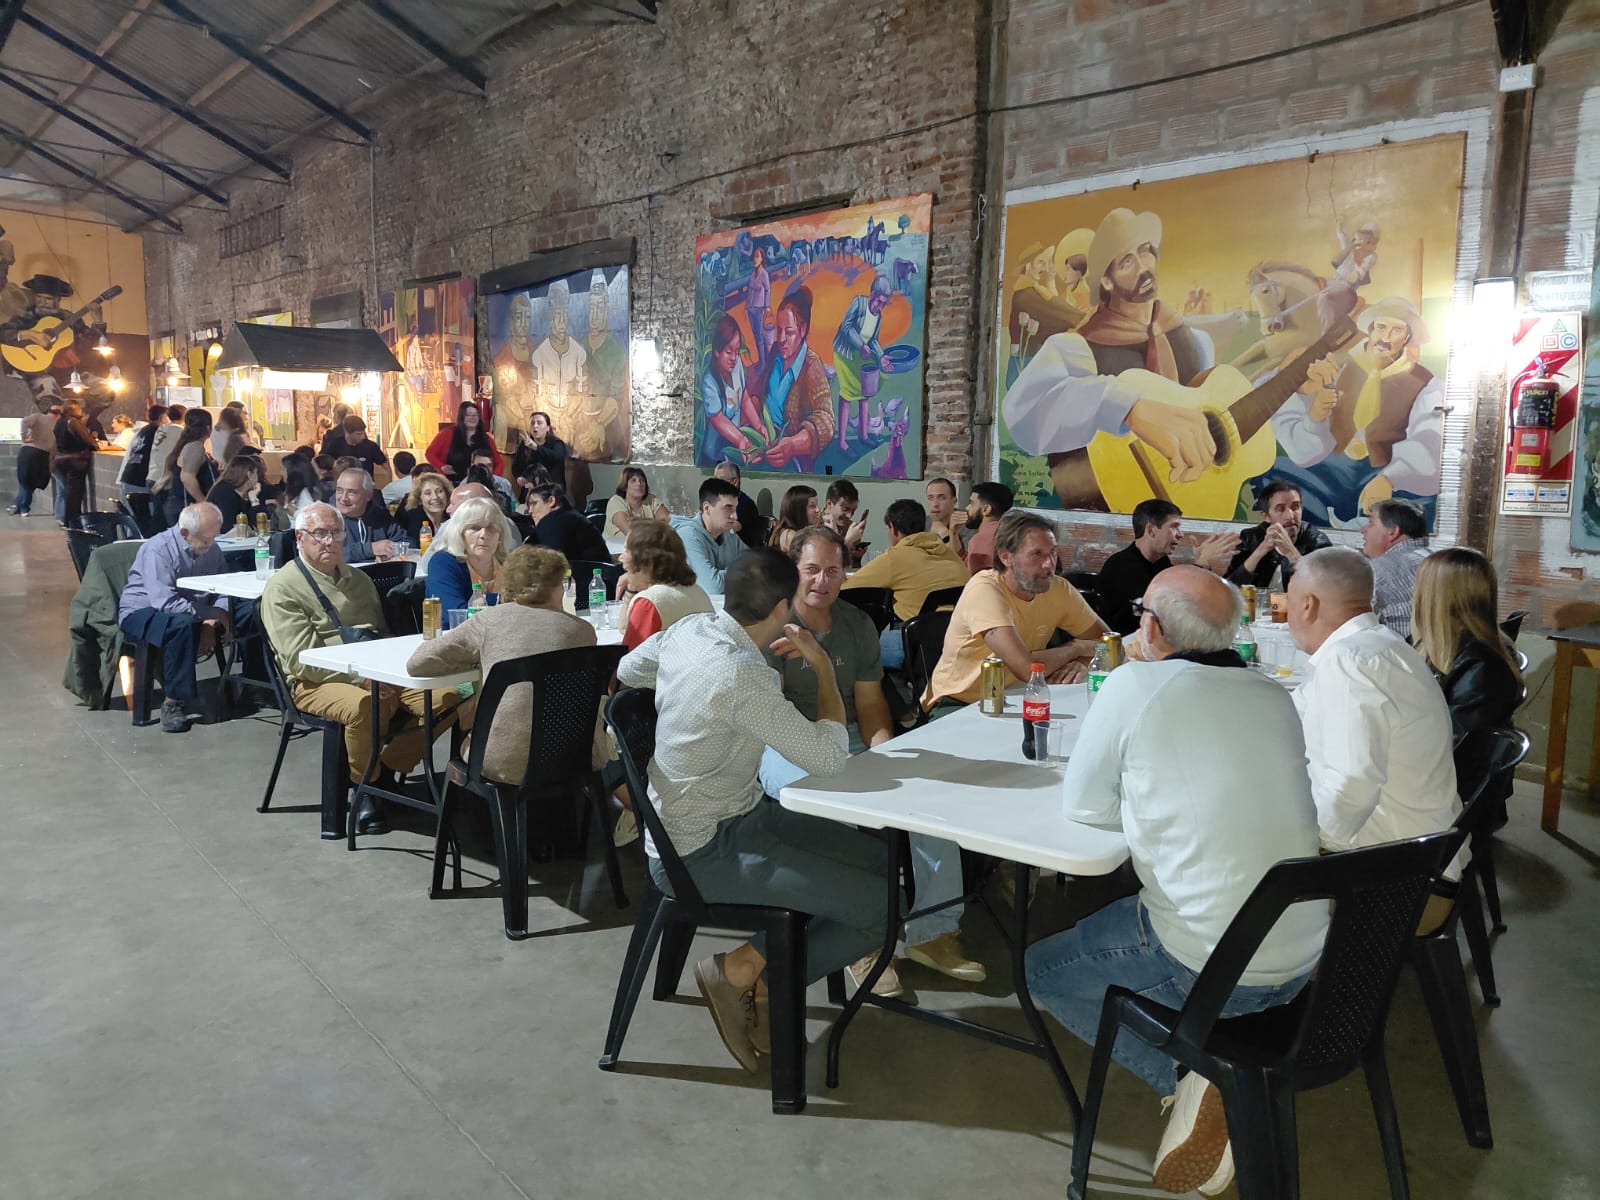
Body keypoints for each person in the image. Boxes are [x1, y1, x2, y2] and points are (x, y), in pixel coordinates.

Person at [1026, 566, 1328, 1198]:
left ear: (1152, 628)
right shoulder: (1273, 694)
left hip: (1212, 963)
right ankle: (1212, 1076)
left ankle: (1194, 1076)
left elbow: (1085, 806)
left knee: (1039, 972)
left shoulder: (1134, 684)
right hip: (1304, 958)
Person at [615, 549, 889, 1071]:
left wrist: (683, 698)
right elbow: (830, 759)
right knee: (882, 908)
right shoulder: (744, 676)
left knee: (880, 861)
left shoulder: (690, 629)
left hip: (732, 816)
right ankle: (749, 976)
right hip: (699, 850)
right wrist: (822, 668)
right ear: (783, 608)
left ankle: (753, 968)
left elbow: (629, 668)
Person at [259, 502, 459, 833]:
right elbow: (300, 659)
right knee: (367, 705)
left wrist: (390, 671)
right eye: (319, 534)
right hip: (314, 682)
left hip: (375, 671)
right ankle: (366, 786)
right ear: (300, 538)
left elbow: (382, 634)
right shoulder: (283, 587)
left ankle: (387, 767)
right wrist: (363, 677)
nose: (329, 541)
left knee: (452, 695)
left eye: (335, 533)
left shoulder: (360, 579)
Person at [1285, 547, 1461, 890]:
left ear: (1308, 605)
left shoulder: (1349, 662)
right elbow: (1295, 712)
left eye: (1287, 600)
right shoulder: (1381, 644)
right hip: (1419, 845)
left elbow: (1351, 787)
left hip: (1397, 874)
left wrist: (1304, 849)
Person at [407, 544, 611, 784]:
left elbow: (418, 663)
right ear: (557, 586)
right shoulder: (583, 630)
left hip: (501, 761)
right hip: (575, 757)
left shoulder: (489, 620)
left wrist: (476, 659)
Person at [1273, 295, 1443, 517]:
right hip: (1333, 468)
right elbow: (1302, 446)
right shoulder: (1336, 366)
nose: (1385, 338)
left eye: (1396, 331)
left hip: (1385, 469)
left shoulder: (1427, 385)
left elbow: (1428, 441)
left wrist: (1389, 478)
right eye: (1380, 327)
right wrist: (1315, 415)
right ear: (1370, 330)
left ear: (1407, 338)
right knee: (1277, 475)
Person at [923, 510, 1107, 712]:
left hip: (1016, 694)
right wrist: (1076, 649)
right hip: (957, 702)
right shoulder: (984, 589)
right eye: (1036, 554)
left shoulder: (1058, 587)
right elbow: (1027, 669)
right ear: (1005, 557)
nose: (1049, 564)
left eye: (1053, 552)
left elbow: (1110, 643)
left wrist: (1084, 662)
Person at [117, 502, 232, 733]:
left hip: (194, 610)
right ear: (184, 533)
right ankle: (174, 702)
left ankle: (255, 681)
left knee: (250, 610)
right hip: (143, 610)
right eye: (206, 538)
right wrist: (213, 615)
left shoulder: (212, 548)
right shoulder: (158, 549)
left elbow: (225, 587)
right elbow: (165, 603)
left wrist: (215, 618)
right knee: (182, 625)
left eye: (215, 537)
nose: (211, 543)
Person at [1411, 547, 1523, 742]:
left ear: (1434, 597)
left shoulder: (1482, 667)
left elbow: (1455, 741)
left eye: (1419, 587)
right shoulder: (1436, 647)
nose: (1414, 596)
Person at [841, 499, 968, 668]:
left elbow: (843, 589)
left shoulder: (895, 557)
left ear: (892, 528)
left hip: (916, 647)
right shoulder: (950, 554)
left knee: (842, 646)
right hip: (957, 644)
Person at [1097, 499, 1239, 633]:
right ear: (1151, 531)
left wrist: (1201, 566)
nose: (1180, 534)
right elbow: (1164, 606)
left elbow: (1182, 598)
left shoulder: (1161, 561)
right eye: (1174, 527)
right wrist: (1201, 564)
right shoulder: (1122, 565)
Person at [753, 287, 835, 471]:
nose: (781, 339)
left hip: (790, 458)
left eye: (788, 332)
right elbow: (760, 391)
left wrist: (792, 445)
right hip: (764, 442)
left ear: (802, 329)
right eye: (779, 330)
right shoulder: (776, 351)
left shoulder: (811, 366)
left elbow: (826, 420)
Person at [616, 518, 713, 649]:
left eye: (626, 551)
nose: (621, 558)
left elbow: (631, 655)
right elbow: (624, 628)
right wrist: (632, 588)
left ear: (646, 561)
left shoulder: (649, 602)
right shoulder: (698, 592)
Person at [1224, 479, 1331, 591]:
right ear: (1266, 516)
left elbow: (1327, 589)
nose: (1290, 516)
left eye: (1295, 507)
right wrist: (1259, 552)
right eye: (1280, 509)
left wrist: (1291, 553)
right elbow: (1229, 588)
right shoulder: (1251, 537)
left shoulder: (1317, 540)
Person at [831, 271, 895, 451]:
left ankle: (863, 435)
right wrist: (860, 344)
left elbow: (873, 340)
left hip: (861, 354)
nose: (880, 307)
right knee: (847, 395)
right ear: (872, 295)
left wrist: (881, 356)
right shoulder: (859, 304)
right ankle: (842, 442)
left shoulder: (878, 317)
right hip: (845, 353)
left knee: (865, 393)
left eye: (884, 304)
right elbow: (846, 327)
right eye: (879, 302)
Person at [424, 496, 517, 612]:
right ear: (459, 533)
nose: (483, 535)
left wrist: (484, 602)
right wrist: (501, 602)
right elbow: (453, 613)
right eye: (475, 528)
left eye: (491, 528)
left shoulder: (511, 564)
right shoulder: (442, 563)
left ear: (501, 535)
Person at [1361, 497, 1430, 638]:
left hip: (1399, 649)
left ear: (1393, 532)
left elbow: (1349, 619)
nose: (1363, 530)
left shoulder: (1378, 568)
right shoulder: (1434, 560)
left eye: (1371, 523)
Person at [671, 476, 746, 592]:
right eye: (728, 508)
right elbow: (713, 586)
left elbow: (757, 564)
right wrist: (745, 572)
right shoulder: (688, 535)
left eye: (735, 508)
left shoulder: (728, 534)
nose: (735, 516)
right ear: (707, 508)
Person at [700, 313, 752, 463]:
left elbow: (744, 397)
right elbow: (718, 418)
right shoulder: (709, 382)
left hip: (735, 446)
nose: (734, 358)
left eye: (737, 351)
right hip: (714, 454)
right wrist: (741, 439)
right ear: (717, 351)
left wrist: (759, 425)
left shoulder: (737, 365)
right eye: (729, 352)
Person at [155, 408, 216, 529]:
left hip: (176, 505)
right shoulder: (195, 447)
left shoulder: (184, 446)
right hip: (186, 507)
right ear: (208, 428)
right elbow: (187, 478)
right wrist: (204, 502)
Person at [526, 482, 612, 565]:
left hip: (589, 573)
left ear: (551, 501)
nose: (530, 511)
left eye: (534, 504)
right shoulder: (569, 517)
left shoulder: (556, 520)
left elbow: (550, 564)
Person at [332, 468, 403, 563]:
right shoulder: (327, 519)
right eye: (339, 491)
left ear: (368, 495)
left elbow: (405, 542)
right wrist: (370, 549)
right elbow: (329, 553)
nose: (344, 498)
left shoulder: (379, 515)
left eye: (351, 492)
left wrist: (388, 554)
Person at [425, 400, 500, 482]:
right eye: (468, 415)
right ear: (462, 417)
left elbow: (499, 463)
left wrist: (493, 479)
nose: (472, 418)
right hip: (451, 482)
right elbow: (430, 453)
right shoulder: (447, 434)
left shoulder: (487, 439)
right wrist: (441, 466)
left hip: (479, 483)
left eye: (476, 415)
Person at [52, 398, 96, 528]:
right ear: (74, 409)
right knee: (74, 494)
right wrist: (93, 441)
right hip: (75, 461)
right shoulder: (74, 422)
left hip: (61, 460)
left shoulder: (59, 422)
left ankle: (67, 521)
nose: (81, 411)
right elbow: (89, 441)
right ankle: (73, 523)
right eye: (80, 408)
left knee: (67, 492)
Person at [9, 401, 58, 516]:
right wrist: (52, 457)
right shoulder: (55, 423)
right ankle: (23, 506)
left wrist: (24, 437)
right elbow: (54, 444)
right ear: (58, 414)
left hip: (27, 451)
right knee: (31, 482)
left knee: (24, 480)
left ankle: (19, 505)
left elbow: (24, 421)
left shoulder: (38, 417)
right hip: (42, 454)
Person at [115, 404, 167, 500]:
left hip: (128, 476)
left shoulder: (142, 431)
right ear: (162, 417)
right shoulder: (160, 432)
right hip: (141, 479)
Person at [511, 411, 568, 498]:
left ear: (548, 428)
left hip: (552, 488)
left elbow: (557, 457)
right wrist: (519, 477)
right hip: (530, 488)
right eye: (532, 423)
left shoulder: (557, 443)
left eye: (539, 423)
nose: (535, 426)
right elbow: (516, 467)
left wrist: (536, 447)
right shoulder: (525, 444)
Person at [603, 467, 670, 541]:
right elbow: (629, 530)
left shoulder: (651, 499)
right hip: (617, 547)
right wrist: (654, 525)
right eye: (633, 481)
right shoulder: (616, 501)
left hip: (648, 544)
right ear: (625, 486)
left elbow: (669, 522)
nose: (639, 483)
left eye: (642, 480)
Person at [961, 481, 1013, 574]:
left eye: (972, 503)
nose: (967, 508)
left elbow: (972, 577)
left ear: (986, 509)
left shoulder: (980, 540)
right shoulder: (1011, 532)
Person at [206, 457, 266, 532]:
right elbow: (230, 527)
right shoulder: (225, 493)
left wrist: (254, 500)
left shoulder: (245, 494)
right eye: (256, 473)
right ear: (250, 475)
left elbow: (259, 526)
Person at [714, 459, 764, 549]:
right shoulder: (717, 502)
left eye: (720, 481)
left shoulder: (745, 504)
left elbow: (732, 528)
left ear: (735, 481)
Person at [821, 478, 871, 565]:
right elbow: (825, 563)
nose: (849, 516)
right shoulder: (814, 526)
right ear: (829, 504)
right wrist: (848, 542)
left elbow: (846, 567)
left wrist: (856, 558)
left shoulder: (849, 526)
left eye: (853, 511)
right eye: (845, 509)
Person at [337, 415, 390, 486]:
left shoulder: (371, 446)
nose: (363, 437)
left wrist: (389, 486)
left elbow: (386, 467)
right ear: (347, 433)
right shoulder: (337, 445)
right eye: (358, 434)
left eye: (363, 433)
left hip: (366, 487)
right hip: (344, 486)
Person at [767, 484, 819, 553]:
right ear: (798, 510)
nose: (818, 510)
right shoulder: (789, 536)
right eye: (812, 506)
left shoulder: (801, 533)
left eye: (817, 505)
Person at [401, 471, 452, 542]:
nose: (435, 497)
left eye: (440, 491)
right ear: (419, 499)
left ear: (447, 494)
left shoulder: (452, 517)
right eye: (428, 493)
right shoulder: (415, 520)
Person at [925, 476, 959, 547]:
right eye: (930, 498)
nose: (935, 504)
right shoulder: (922, 523)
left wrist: (944, 534)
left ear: (954, 501)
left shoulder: (966, 525)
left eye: (941, 498)